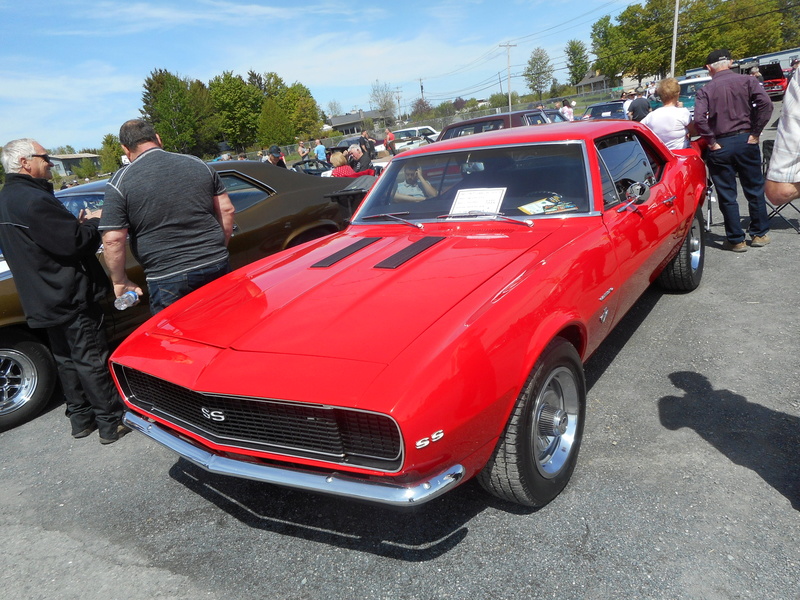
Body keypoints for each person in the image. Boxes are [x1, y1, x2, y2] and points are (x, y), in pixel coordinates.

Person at [0, 139, 128, 443]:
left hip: (41, 296)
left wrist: (73, 226)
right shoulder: (33, 200)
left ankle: (81, 419)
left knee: (67, 361)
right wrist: (91, 223)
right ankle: (111, 422)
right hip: (68, 293)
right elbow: (73, 244)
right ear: (25, 163)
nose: (50, 163)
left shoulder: (7, 198)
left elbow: (43, 243)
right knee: (91, 359)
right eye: (44, 158)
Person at [99, 119, 235, 313]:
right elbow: (227, 210)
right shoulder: (197, 164)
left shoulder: (119, 182)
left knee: (180, 338)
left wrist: (120, 281)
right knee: (229, 321)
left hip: (168, 278)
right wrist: (216, 248)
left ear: (125, 149)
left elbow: (113, 240)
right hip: (216, 263)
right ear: (158, 139)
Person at [694, 49, 773, 252]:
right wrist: (755, 132)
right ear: (729, 62)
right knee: (754, 188)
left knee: (727, 193)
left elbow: (699, 119)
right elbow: (766, 104)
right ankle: (759, 233)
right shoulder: (748, 81)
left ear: (709, 67)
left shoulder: (706, 90)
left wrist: (711, 141)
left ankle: (736, 239)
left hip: (720, 144)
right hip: (746, 139)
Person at [765, 71, 800, 206]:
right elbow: (765, 105)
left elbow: (780, 191)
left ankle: (758, 225)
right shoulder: (750, 83)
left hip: (722, 145)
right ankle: (759, 224)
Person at [640, 78, 696, 150]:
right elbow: (694, 132)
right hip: (681, 153)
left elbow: (640, 129)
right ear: (678, 94)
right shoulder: (682, 112)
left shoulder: (650, 116)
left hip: (661, 156)